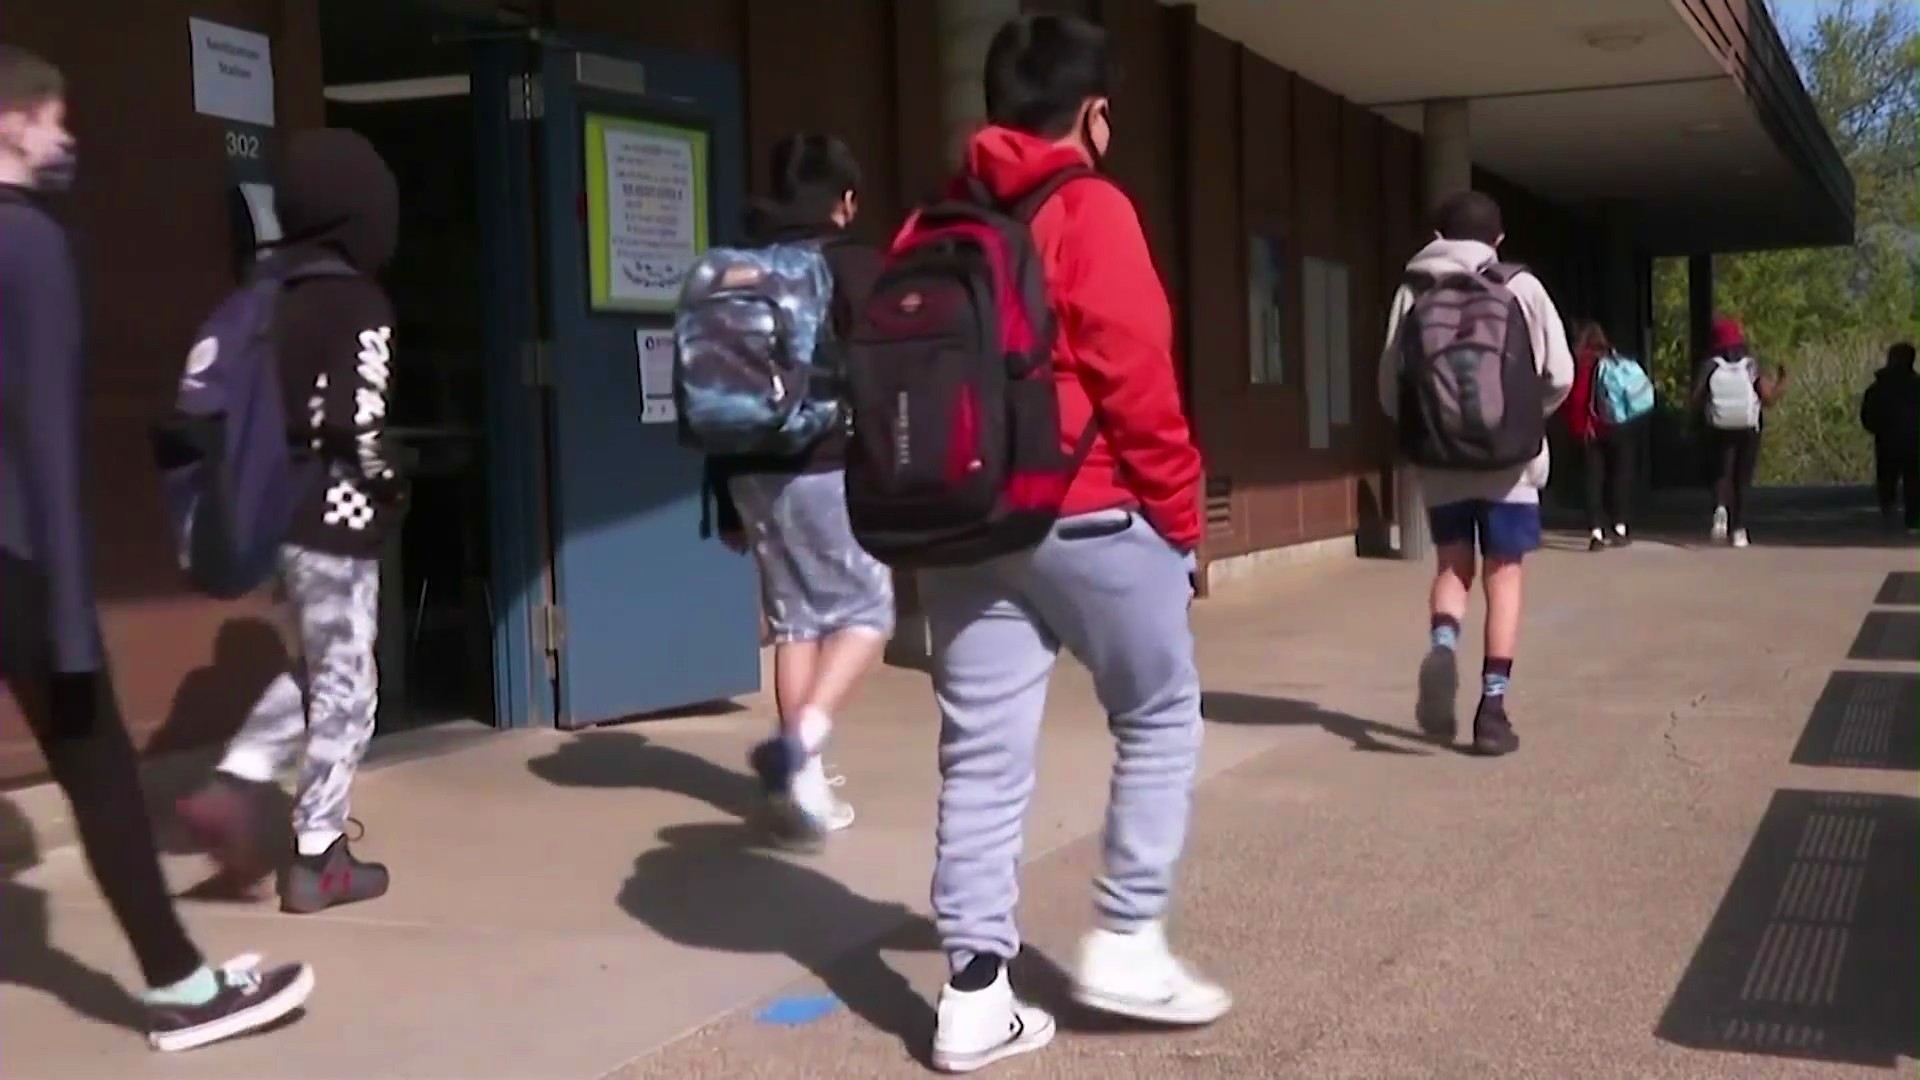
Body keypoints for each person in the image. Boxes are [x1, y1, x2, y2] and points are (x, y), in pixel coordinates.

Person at [917, 15, 1226, 1073]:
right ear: (1095, 114)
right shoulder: (1090, 207)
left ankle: (973, 996)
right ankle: (1129, 938)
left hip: (961, 521)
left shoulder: (933, 220)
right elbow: (1137, 375)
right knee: (1159, 710)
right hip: (1085, 507)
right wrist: (1181, 524)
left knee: (983, 754)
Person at [0, 44, 313, 1050]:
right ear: (8, 123)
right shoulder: (31, 245)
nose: (66, 137)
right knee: (98, 773)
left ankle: (180, 980)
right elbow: (45, 434)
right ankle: (180, 989)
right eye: (51, 118)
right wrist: (72, 618)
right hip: (19, 553)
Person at [175, 128, 405, 914]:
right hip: (333, 516)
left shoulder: (268, 294)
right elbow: (357, 422)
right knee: (350, 686)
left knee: (313, 668)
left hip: (270, 512)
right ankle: (320, 855)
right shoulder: (358, 301)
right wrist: (391, 487)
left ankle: (239, 778)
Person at [703, 132, 891, 847]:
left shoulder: (742, 269)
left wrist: (724, 499)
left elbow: (721, 383)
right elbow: (879, 380)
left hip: (749, 469)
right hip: (826, 464)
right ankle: (802, 747)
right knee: (869, 609)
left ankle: (799, 787)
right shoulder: (854, 268)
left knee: (796, 623)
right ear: (844, 201)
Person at [1379, 190, 1575, 758]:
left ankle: (1443, 646)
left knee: (1452, 567)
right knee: (1504, 575)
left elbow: (1390, 389)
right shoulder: (1521, 285)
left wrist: (1434, 429)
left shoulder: (1414, 289)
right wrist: (1520, 415)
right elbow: (1559, 374)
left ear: (1438, 236)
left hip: (1441, 464)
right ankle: (1492, 711)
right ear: (1498, 239)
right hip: (1509, 465)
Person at [1689, 315, 1785, 548]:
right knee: (1742, 478)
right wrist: (1783, 380)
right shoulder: (1750, 364)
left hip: (1718, 426)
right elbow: (1768, 398)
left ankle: (1720, 510)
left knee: (1722, 473)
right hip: (1747, 427)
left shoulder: (1710, 365)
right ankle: (1739, 530)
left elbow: (1694, 400)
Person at [1563, 321, 1635, 550]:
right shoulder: (1614, 360)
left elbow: (1573, 400)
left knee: (1593, 481)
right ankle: (1620, 527)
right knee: (1620, 477)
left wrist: (1575, 427)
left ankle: (1596, 531)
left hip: (1591, 430)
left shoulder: (1580, 364)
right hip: (1618, 427)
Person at [1860, 341, 1918, 531]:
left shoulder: (1878, 388)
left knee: (1888, 479)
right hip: (1912, 440)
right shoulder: (1916, 386)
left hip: (1888, 440)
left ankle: (1890, 513)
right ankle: (1912, 518)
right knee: (1913, 480)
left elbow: (1867, 415)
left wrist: (1878, 429)